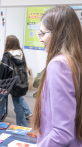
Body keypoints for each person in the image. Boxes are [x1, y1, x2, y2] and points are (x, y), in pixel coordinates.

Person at [32, 5, 82, 146]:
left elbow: (62, 133)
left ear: (58, 33)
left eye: (43, 33)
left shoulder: (59, 65)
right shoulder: (75, 61)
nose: (41, 39)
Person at [0, 35, 31, 127]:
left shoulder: (7, 55)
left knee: (1, 103)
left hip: (6, 82)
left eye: (6, 41)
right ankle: (22, 126)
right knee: (18, 105)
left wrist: (0, 83)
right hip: (17, 82)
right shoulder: (20, 53)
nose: (5, 42)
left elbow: (4, 71)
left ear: (9, 43)